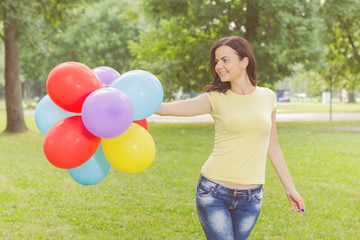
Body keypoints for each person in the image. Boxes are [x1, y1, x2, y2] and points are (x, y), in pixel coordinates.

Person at [155, 36, 305, 240]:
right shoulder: (215, 98)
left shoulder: (268, 97)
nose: (218, 66)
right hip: (214, 192)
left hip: (251, 197)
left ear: (244, 62)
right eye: (216, 61)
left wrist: (291, 189)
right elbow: (164, 110)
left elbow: (273, 146)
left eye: (225, 60)